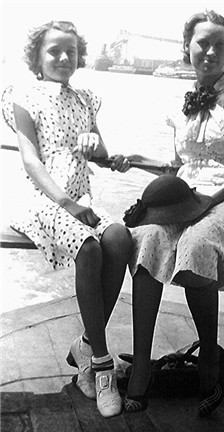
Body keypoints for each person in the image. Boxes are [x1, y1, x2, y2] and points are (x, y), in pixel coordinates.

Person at [112, 10, 224, 416]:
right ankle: (142, 366)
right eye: (203, 43)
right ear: (188, 49)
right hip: (185, 197)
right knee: (145, 240)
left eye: (220, 44)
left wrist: (210, 200)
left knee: (198, 245)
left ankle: (210, 363)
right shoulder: (184, 102)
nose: (211, 51)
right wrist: (136, 159)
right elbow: (177, 165)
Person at [1, 20, 132, 418]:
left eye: (70, 52)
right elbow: (30, 159)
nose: (62, 58)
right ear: (37, 58)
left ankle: (86, 345)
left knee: (120, 239)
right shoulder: (23, 96)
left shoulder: (86, 98)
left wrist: (97, 146)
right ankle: (101, 365)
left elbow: (101, 152)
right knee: (90, 249)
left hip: (81, 195)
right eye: (53, 51)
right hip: (42, 198)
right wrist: (66, 204)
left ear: (79, 57)